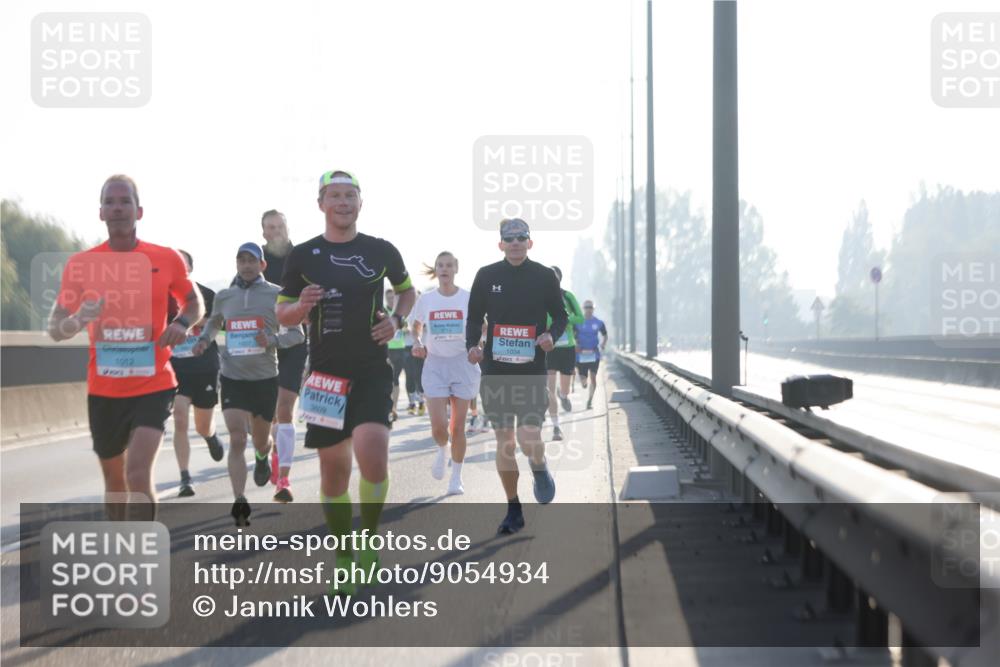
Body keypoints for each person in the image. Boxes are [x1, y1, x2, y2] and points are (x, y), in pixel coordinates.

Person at [276, 170, 414, 596]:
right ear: (321, 203)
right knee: (333, 471)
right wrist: (300, 305)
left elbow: (408, 292)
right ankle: (343, 557)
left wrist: (396, 320)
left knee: (373, 452)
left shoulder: (380, 250)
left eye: (350, 195)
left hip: (372, 368)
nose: (343, 202)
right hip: (323, 375)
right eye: (334, 195)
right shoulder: (303, 255)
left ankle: (369, 541)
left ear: (360, 202)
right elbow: (282, 314)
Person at [48, 175, 204, 520]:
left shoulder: (166, 258)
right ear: (101, 212)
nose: (117, 208)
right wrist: (79, 319)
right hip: (104, 390)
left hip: (154, 383)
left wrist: (180, 324)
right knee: (115, 481)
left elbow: (194, 303)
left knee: (137, 473)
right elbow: (56, 328)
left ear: (139, 210)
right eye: (110, 202)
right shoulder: (81, 265)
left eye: (124, 201)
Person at [466, 218, 567, 535]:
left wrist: (551, 334)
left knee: (528, 439)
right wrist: (473, 345)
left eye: (521, 237)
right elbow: (473, 318)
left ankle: (539, 469)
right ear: (500, 244)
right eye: (509, 238)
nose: (515, 242)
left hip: (531, 370)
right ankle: (513, 508)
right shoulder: (486, 275)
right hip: (495, 371)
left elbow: (561, 315)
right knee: (505, 442)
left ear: (529, 242)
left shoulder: (544, 276)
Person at [193, 242, 304, 523]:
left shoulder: (277, 295)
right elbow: (213, 322)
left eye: (251, 260)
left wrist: (273, 340)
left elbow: (297, 333)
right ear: (236, 264)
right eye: (241, 260)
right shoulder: (224, 296)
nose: (246, 265)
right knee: (237, 438)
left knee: (261, 440)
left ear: (262, 265)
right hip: (232, 377)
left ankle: (264, 457)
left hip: (265, 379)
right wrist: (205, 339)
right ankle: (240, 501)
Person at [411, 252, 481, 495]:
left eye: (449, 265)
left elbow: (482, 327)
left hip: (462, 364)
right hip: (435, 364)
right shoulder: (427, 299)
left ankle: (456, 478)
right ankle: (442, 449)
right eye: (440, 265)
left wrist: (478, 347)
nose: (444, 269)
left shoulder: (468, 298)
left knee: (458, 427)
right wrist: (418, 342)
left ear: (456, 268)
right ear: (436, 270)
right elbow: (416, 325)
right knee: (439, 428)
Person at [169, 250, 225, 497]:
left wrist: (194, 318)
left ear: (190, 269)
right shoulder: (162, 297)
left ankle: (210, 436)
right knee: (180, 417)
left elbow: (217, 324)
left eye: (183, 265)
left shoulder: (207, 295)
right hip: (176, 366)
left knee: (202, 424)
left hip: (203, 366)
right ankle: (185, 477)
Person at [261, 209, 306, 502]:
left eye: (280, 226)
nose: (276, 231)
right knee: (269, 415)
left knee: (286, 410)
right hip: (263, 345)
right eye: (270, 227)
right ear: (263, 232)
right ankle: (269, 454)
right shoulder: (253, 259)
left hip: (295, 341)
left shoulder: (302, 257)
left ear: (288, 228)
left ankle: (284, 480)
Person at [545, 266, 585, 441]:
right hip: (549, 348)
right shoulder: (541, 297)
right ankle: (555, 427)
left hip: (567, 347)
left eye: (554, 276)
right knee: (549, 390)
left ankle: (564, 395)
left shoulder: (567, 296)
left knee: (564, 388)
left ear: (559, 278)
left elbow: (581, 318)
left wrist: (564, 319)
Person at [574, 300, 608, 410]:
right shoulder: (578, 321)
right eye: (586, 307)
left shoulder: (599, 322)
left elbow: (605, 335)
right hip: (581, 354)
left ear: (593, 309)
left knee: (593, 378)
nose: (588, 309)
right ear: (583, 308)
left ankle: (590, 401)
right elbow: (573, 336)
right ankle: (583, 382)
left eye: (590, 307)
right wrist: (576, 345)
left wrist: (603, 344)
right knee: (583, 379)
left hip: (594, 354)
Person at [385, 288, 409, 424]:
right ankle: (388, 407)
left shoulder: (399, 313)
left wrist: (402, 327)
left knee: (395, 378)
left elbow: (406, 328)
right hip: (387, 349)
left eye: (392, 297)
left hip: (399, 349)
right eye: (388, 297)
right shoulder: (382, 311)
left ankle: (393, 407)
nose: (390, 300)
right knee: (388, 378)